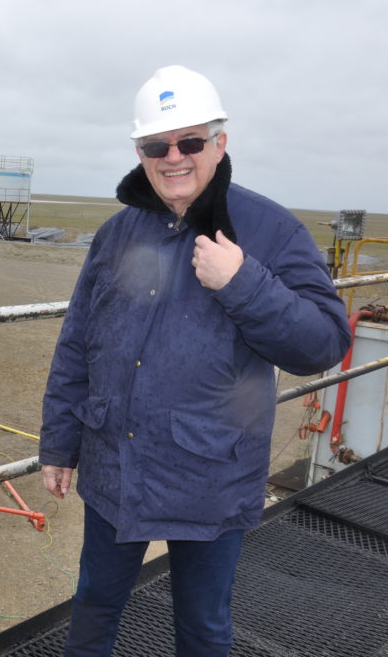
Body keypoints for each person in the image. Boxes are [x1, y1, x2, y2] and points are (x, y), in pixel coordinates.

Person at [38, 65, 351, 656]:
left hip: (210, 471)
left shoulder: (269, 230)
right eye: (157, 145)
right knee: (94, 606)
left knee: (203, 627)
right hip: (116, 463)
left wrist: (243, 283)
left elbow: (323, 345)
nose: (173, 157)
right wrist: (59, 442)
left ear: (220, 143)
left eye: (190, 141)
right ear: (140, 151)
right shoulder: (115, 234)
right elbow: (78, 341)